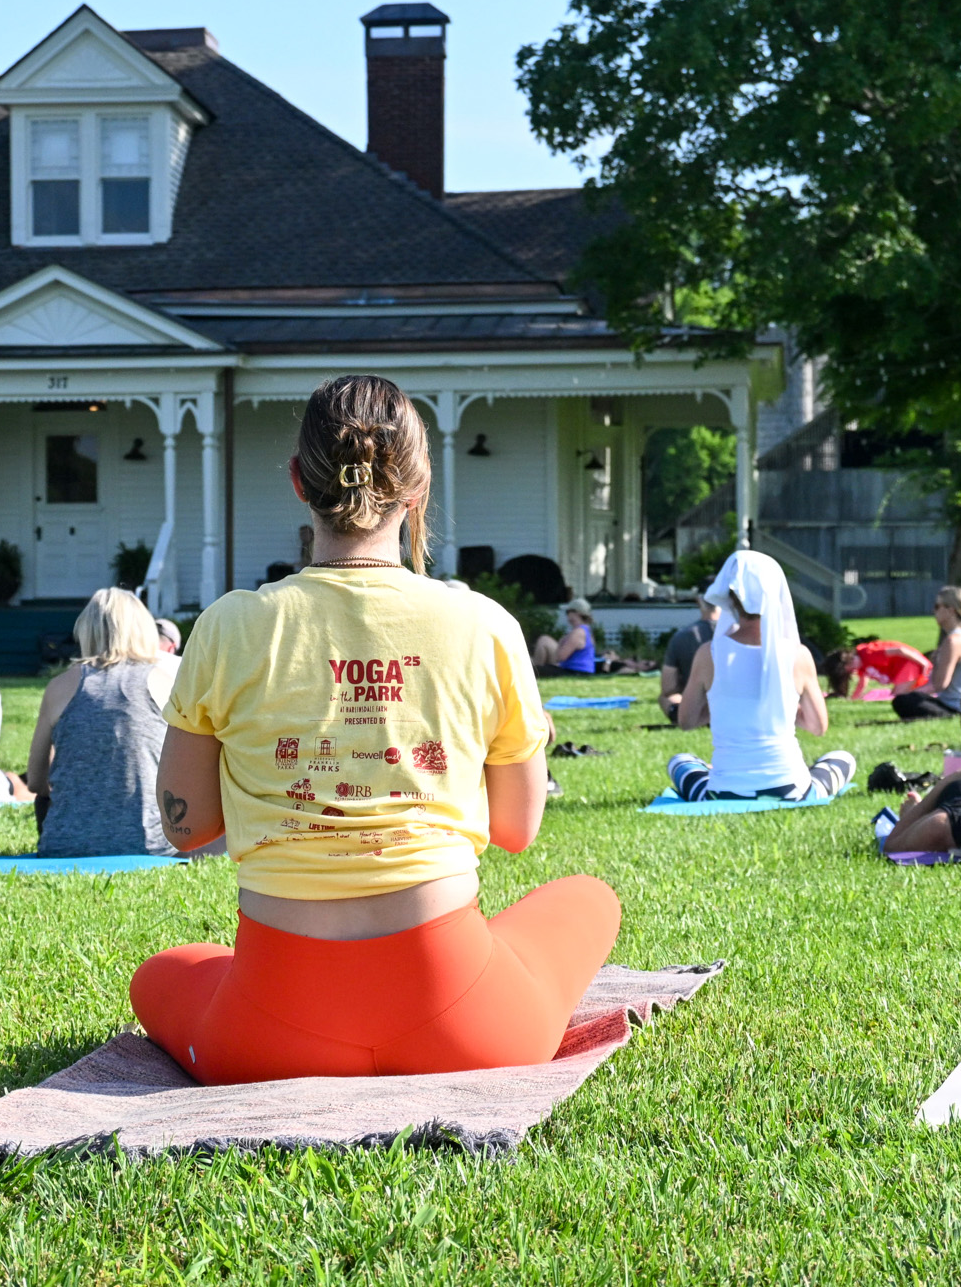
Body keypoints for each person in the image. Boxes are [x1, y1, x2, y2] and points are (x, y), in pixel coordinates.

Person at [130, 374, 618, 1084]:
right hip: (468, 1025)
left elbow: (186, 826)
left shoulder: (230, 624)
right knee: (589, 899)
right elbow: (518, 828)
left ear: (299, 481)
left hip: (267, 1036)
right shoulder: (483, 625)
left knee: (161, 974)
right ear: (417, 490)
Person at [668, 550, 857, 801]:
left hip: (723, 792)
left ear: (731, 598)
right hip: (791, 789)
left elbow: (687, 720)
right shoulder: (798, 655)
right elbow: (818, 727)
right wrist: (779, 704)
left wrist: (727, 705)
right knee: (843, 759)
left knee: (680, 761)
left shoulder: (708, 654)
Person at [27, 588, 179, 857]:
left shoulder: (59, 687)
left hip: (63, 845)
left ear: (86, 630)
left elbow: (36, 782)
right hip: (149, 844)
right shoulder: (166, 683)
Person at [892, 586, 961, 721]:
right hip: (952, 704)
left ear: (950, 610)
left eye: (937, 606)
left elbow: (939, 685)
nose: (934, 611)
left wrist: (909, 693)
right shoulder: (959, 637)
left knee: (903, 701)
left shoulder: (954, 641)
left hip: (953, 708)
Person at [657, 595, 720, 720]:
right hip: (737, 710)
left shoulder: (683, 636)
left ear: (699, 601)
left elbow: (668, 687)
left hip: (697, 712)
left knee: (665, 698)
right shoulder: (739, 634)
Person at [530, 599, 597, 676]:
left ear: (576, 613)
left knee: (537, 667)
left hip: (575, 672)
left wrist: (561, 642)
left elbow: (561, 657)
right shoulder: (586, 630)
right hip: (580, 671)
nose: (567, 616)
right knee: (544, 640)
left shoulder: (578, 632)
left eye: (568, 612)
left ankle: (534, 672)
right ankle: (535, 667)